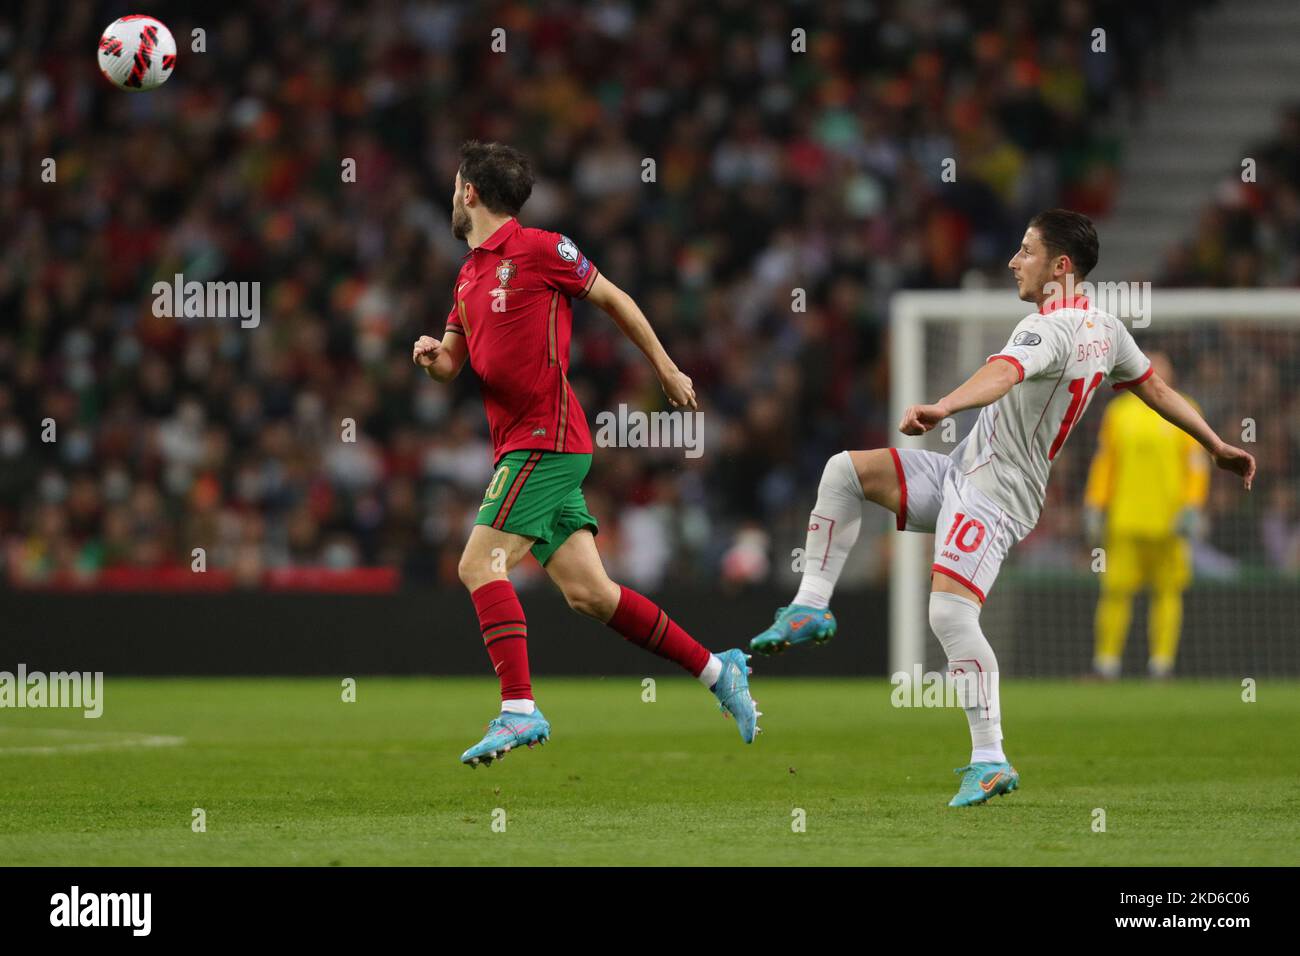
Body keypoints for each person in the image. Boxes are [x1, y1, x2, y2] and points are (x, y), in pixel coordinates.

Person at [749, 209, 1255, 806]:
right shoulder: (1106, 329)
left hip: (997, 493)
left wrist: (943, 406)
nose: (1014, 261)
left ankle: (990, 758)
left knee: (949, 615)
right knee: (845, 471)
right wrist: (1216, 443)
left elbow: (1003, 373)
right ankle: (811, 608)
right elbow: (1159, 390)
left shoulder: (1050, 328)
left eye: (1026, 250)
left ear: (1060, 267)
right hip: (964, 470)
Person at [413, 141, 759, 767]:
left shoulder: (543, 248)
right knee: (592, 595)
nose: (451, 194)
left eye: (455, 183)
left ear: (469, 193)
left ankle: (518, 710)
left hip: (545, 440)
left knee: (478, 563)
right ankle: (717, 669)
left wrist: (667, 369)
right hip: (523, 445)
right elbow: (453, 364)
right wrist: (433, 358)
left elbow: (615, 299)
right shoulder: (465, 276)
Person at [1084, 352, 1209, 679]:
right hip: (1125, 519)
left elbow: (1196, 465)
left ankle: (1161, 665)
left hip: (1170, 522)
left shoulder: (1186, 408)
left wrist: (1193, 506)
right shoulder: (1119, 412)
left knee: (1168, 592)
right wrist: (1096, 504)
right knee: (1114, 591)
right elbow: (1105, 463)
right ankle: (1106, 664)